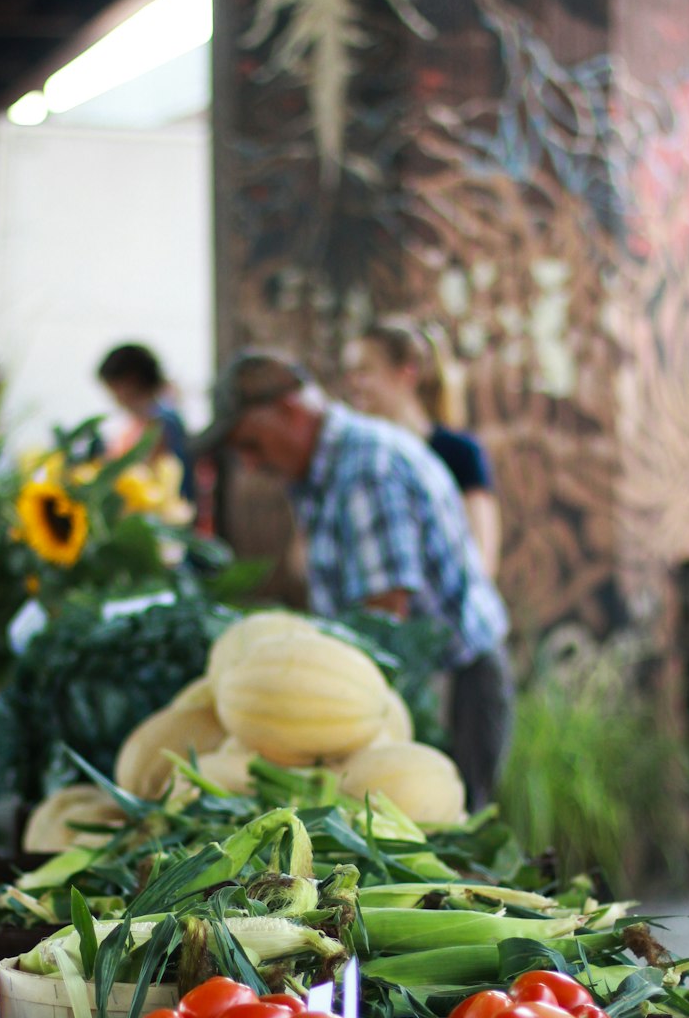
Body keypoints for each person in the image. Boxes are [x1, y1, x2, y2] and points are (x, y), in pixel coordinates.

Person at [194, 351, 513, 810]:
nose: (248, 464)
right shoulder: (320, 470)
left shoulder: (366, 469)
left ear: (290, 411)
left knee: (448, 836)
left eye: (252, 444)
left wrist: (311, 716)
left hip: (450, 685)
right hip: (407, 685)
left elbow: (384, 616)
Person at [342, 319, 502, 578]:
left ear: (406, 373)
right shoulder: (352, 459)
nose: (352, 383)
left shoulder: (459, 453)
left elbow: (481, 562)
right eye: (349, 373)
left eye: (364, 371)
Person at [97, 343, 196, 501]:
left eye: (114, 389)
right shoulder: (145, 420)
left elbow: (145, 478)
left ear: (130, 381)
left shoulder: (159, 423)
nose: (115, 399)